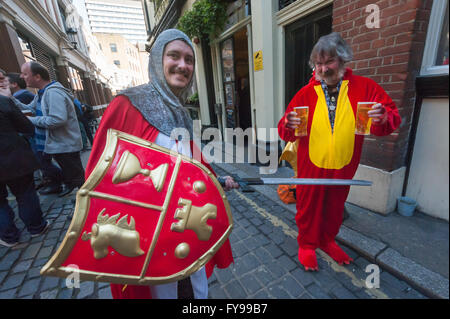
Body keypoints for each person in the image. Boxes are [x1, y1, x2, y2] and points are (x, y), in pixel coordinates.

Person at [85, 29, 238, 299]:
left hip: (185, 226)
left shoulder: (180, 111)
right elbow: (100, 173)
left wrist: (216, 181)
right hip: (149, 234)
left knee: (192, 287)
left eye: (189, 59)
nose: (183, 65)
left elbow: (191, 161)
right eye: (174, 56)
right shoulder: (127, 104)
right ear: (157, 60)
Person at [278, 32, 401, 271]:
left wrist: (383, 116)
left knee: (334, 207)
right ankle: (306, 244)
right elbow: (286, 131)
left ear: (343, 60)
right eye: (318, 64)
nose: (323, 69)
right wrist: (287, 124)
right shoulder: (305, 93)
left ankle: (326, 240)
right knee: (308, 205)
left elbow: (389, 118)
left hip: (344, 164)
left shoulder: (365, 88)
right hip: (310, 164)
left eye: (328, 62)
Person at [0, 62, 84, 197]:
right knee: (74, 176)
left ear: (37, 76)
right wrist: (10, 98)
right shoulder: (42, 93)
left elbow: (57, 120)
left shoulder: (53, 93)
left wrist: (29, 120)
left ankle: (89, 207)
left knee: (79, 179)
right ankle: (83, 202)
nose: (21, 77)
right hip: (59, 144)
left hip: (66, 145)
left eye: (25, 74)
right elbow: (30, 109)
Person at [0, 95, 48, 247]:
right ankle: (36, 227)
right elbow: (26, 127)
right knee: (25, 193)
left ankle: (9, 236)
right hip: (14, 157)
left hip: (13, 156)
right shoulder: (3, 101)